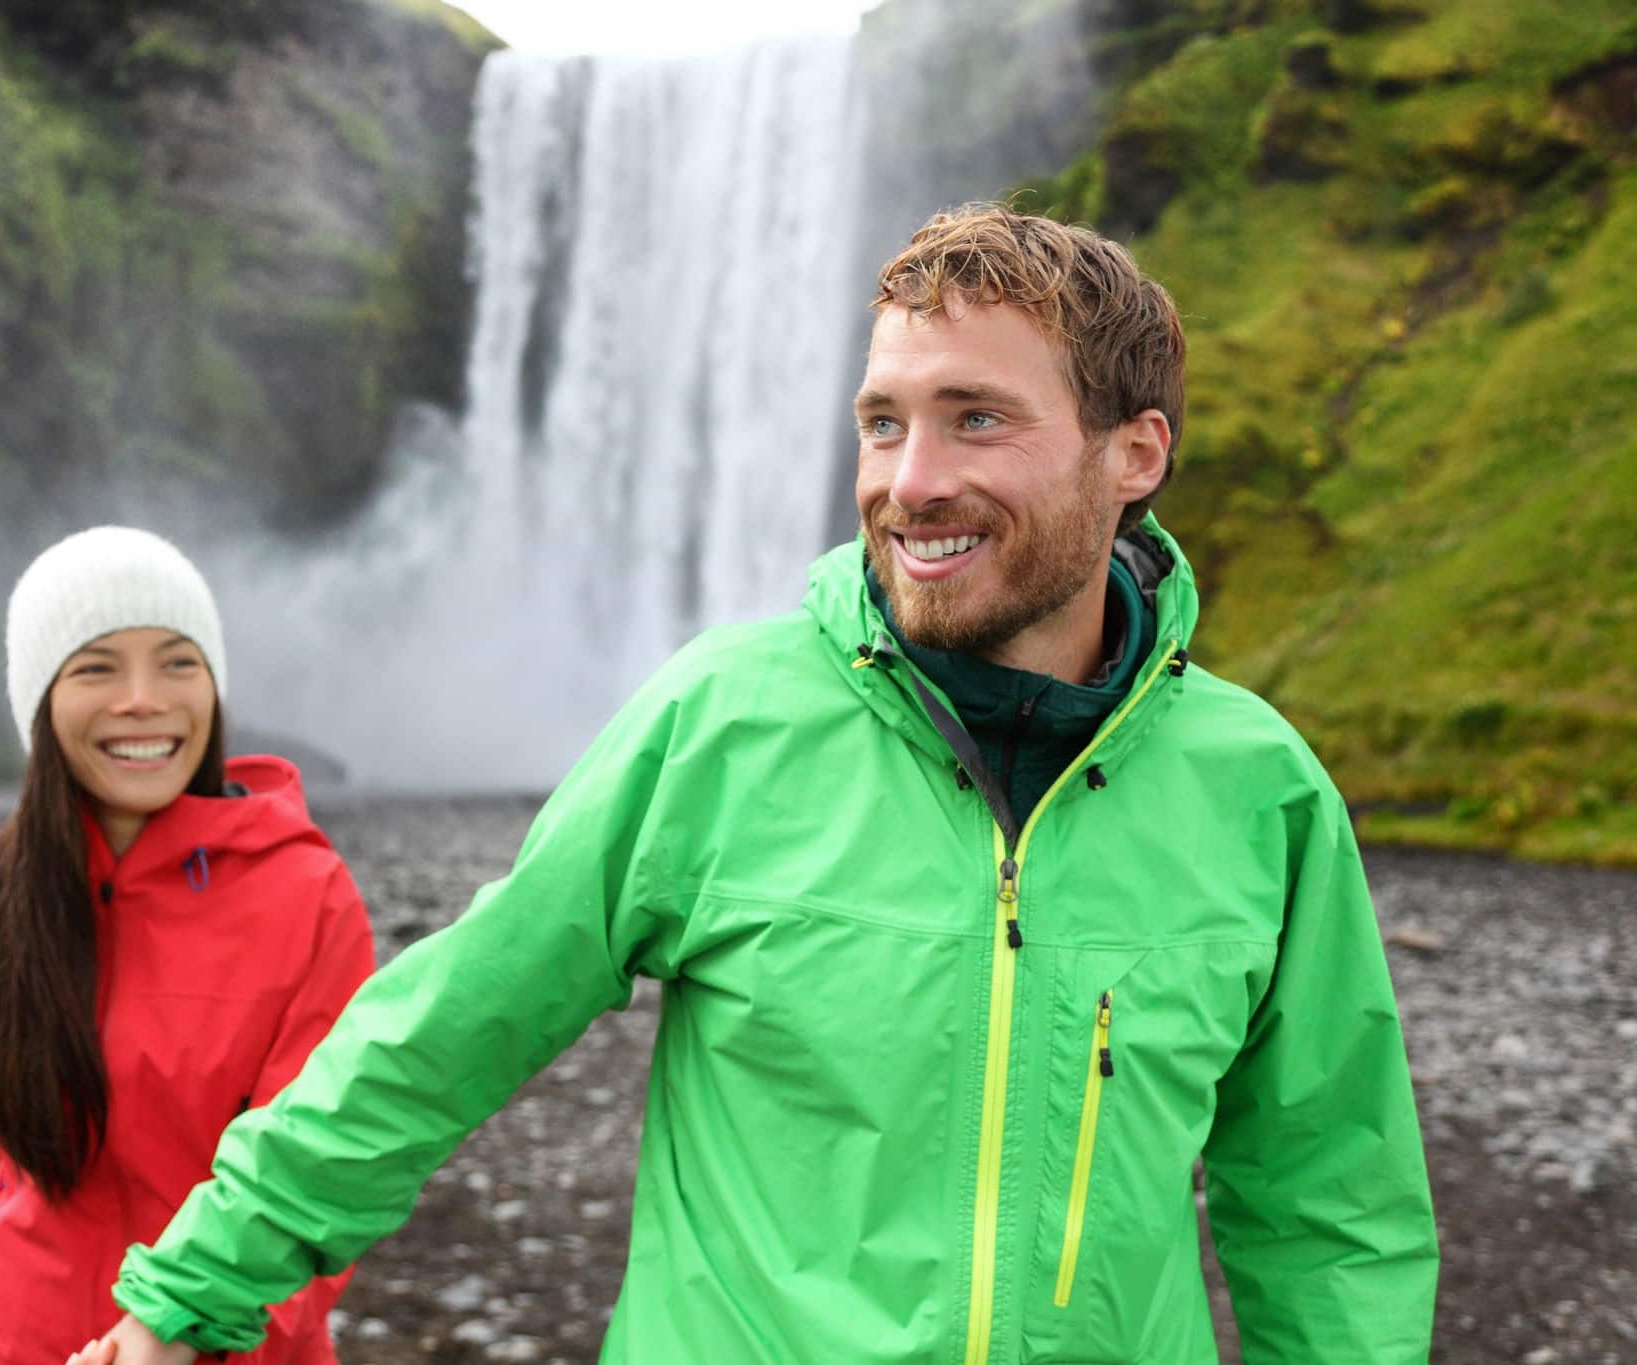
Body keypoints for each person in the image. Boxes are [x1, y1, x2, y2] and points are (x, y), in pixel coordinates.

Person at [75, 205, 1438, 1364]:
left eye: (977, 420)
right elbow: (444, 1031)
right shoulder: (719, 723)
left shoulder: (1259, 791)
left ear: (1134, 454)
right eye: (884, 423)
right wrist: (194, 1293)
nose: (913, 482)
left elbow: (1327, 1199)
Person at [0, 525, 374, 1365]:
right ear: (39, 701)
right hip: (16, 1339)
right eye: (96, 666)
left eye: (179, 661)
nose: (145, 698)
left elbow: (326, 1174)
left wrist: (183, 1330)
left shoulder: (306, 898)